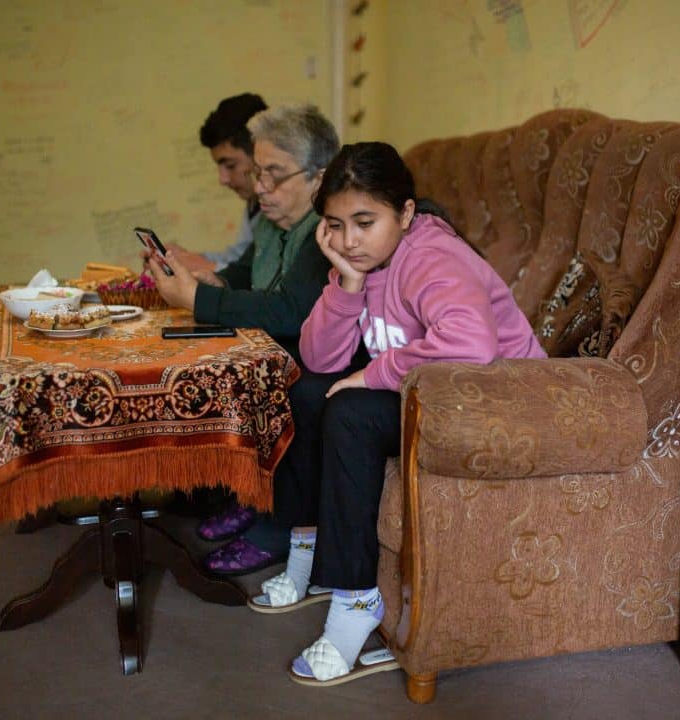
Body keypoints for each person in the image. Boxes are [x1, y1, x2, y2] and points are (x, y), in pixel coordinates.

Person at [247, 142, 548, 686]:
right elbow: (319, 356)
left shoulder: (431, 256)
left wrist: (372, 374)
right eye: (335, 226)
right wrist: (347, 280)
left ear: (406, 214)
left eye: (365, 222)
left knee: (351, 411)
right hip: (437, 392)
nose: (349, 240)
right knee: (308, 389)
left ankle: (357, 601)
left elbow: (472, 344)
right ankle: (307, 549)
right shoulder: (362, 261)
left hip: (497, 398)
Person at [147, 103, 340, 576]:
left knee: (288, 384)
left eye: (274, 175)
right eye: (257, 174)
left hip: (323, 355)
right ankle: (255, 497)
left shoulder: (325, 230)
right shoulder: (275, 225)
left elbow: (291, 311)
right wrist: (205, 282)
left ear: (319, 177)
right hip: (280, 345)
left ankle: (279, 526)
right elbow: (242, 274)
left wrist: (199, 302)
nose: (259, 189)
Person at [166, 92, 267, 274]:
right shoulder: (255, 202)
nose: (223, 179)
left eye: (230, 165)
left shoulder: (282, 207)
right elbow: (240, 258)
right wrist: (184, 258)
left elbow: (262, 280)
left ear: (260, 153)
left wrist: (204, 266)